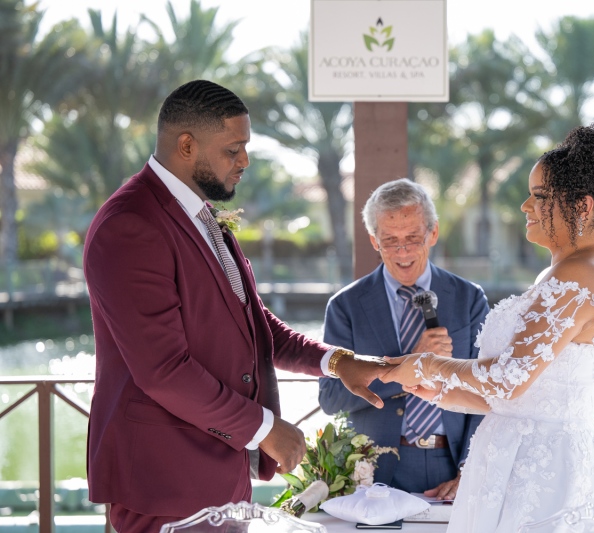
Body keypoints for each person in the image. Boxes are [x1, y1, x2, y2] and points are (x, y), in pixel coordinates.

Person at [83, 79, 387, 533]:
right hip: (162, 482)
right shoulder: (131, 225)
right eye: (233, 149)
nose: (244, 161)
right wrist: (266, 429)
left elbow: (252, 321)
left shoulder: (200, 214)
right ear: (186, 145)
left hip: (218, 471)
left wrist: (335, 361)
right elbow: (163, 370)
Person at [381, 125, 594, 532]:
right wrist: (439, 391)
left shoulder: (578, 275)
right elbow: (513, 399)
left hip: (544, 479)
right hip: (511, 463)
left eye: (540, 196)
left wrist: (427, 365)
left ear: (582, 206)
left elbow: (508, 379)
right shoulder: (560, 272)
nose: (526, 206)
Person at [318, 178, 490, 499]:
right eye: (390, 241)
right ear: (374, 241)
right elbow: (330, 399)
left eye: (413, 238)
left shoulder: (469, 299)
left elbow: (486, 391)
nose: (403, 252)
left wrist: (471, 469)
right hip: (372, 471)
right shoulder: (345, 306)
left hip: (451, 467)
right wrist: (411, 363)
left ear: (433, 233)